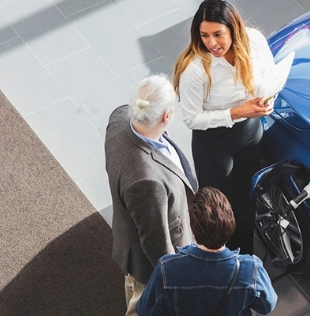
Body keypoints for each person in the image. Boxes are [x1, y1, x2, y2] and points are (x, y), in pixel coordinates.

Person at [173, 0, 276, 255]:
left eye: (218, 34)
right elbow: (191, 119)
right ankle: (222, 259)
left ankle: (247, 257)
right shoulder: (195, 69)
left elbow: (270, 75)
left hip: (251, 132)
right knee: (219, 211)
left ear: (233, 30)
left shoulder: (254, 42)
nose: (211, 43)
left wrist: (269, 99)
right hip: (214, 145)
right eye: (204, 35)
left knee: (246, 202)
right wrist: (237, 112)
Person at [105, 74, 198, 315]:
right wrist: (174, 279)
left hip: (128, 231)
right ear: (166, 116)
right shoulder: (147, 181)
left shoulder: (119, 118)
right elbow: (155, 241)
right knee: (142, 304)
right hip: (146, 265)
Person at [136, 186, 278, 315]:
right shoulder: (251, 269)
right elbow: (267, 307)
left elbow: (146, 311)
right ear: (231, 223)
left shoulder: (166, 269)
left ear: (192, 230)